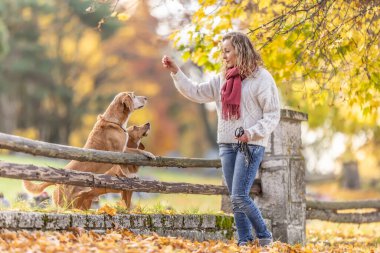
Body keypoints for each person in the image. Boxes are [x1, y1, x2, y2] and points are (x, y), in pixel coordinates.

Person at [162, 31, 280, 247]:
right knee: (235, 197)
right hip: (226, 144)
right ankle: (244, 242)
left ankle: (264, 237)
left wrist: (252, 132)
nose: (223, 56)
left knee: (239, 196)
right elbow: (196, 92)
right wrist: (176, 72)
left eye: (227, 51)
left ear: (240, 50)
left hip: (250, 145)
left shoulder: (262, 78)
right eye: (222, 52)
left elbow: (273, 114)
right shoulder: (222, 80)